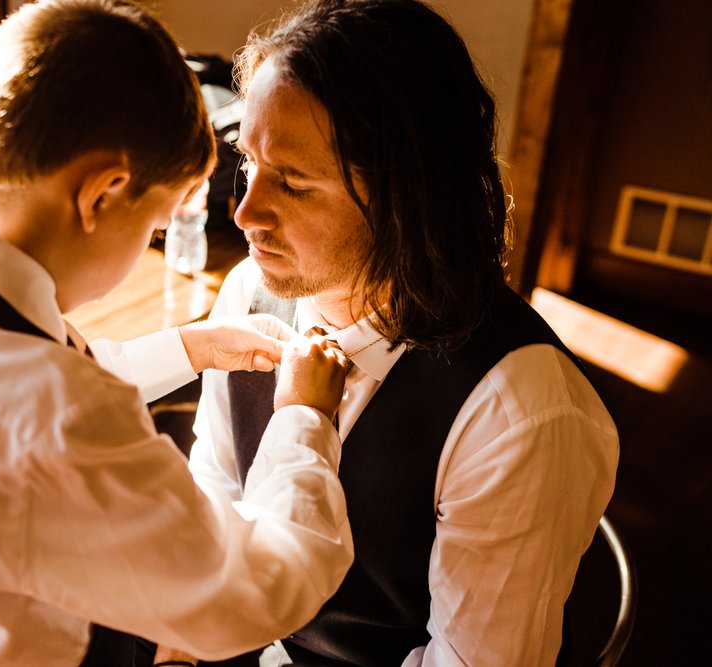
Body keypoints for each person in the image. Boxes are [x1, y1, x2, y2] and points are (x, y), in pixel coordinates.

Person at [0, 1, 356, 665]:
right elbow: (256, 590)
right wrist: (305, 417)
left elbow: (14, 407)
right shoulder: (52, 413)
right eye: (156, 226)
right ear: (101, 194)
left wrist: (190, 347)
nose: (149, 245)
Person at [148, 0, 620, 665]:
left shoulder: (519, 411)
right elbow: (216, 501)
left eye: (296, 184)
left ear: (406, 198)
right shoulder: (248, 296)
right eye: (249, 165)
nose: (247, 211)